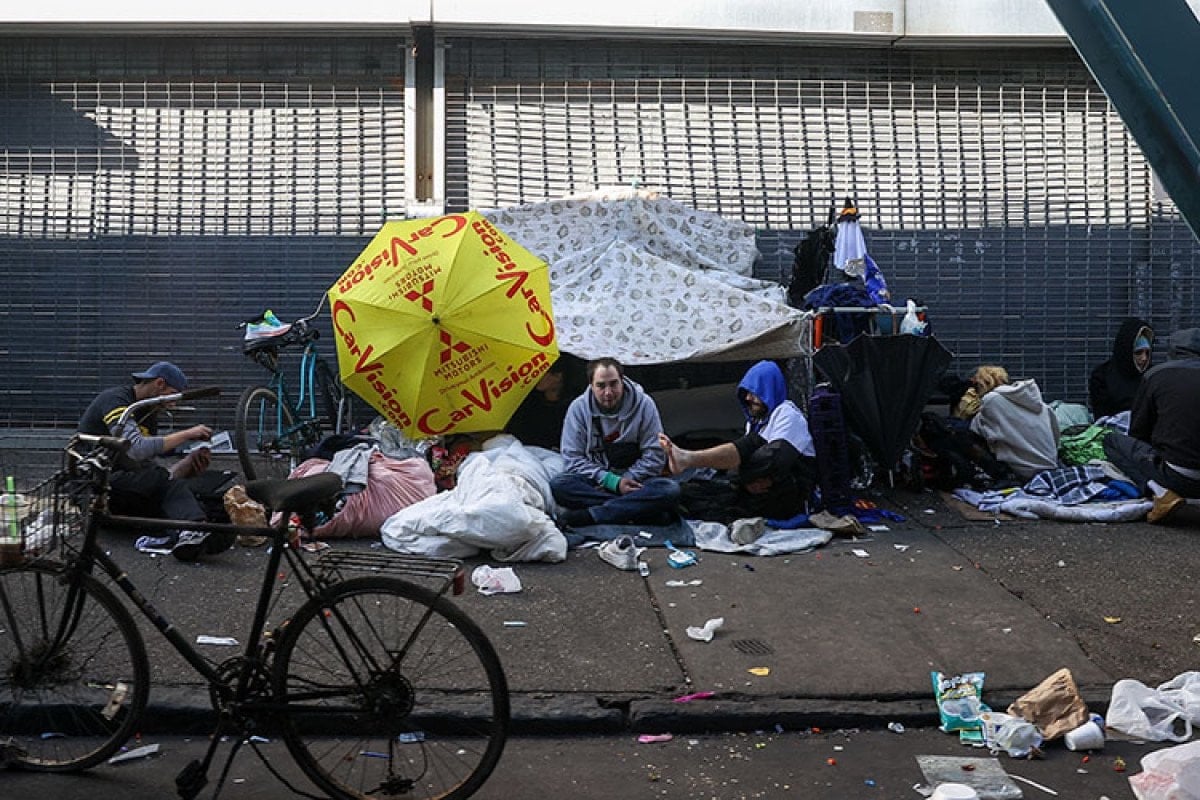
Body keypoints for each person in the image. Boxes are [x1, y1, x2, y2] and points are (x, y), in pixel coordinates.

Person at [78, 361, 234, 561]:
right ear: (160, 384)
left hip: (122, 487)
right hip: (96, 486)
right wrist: (187, 434)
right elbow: (136, 449)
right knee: (165, 483)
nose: (173, 404)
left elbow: (145, 469)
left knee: (190, 496)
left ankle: (188, 538)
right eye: (173, 395)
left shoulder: (148, 413)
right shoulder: (116, 400)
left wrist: (185, 466)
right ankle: (192, 530)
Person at [658, 360, 817, 526]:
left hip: (789, 493)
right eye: (746, 393)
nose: (748, 398)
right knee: (688, 493)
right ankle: (687, 459)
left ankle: (688, 458)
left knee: (751, 446)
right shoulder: (756, 422)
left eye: (755, 393)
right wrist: (742, 479)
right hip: (756, 488)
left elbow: (774, 460)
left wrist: (740, 476)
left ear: (768, 390)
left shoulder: (787, 414)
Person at [550, 357, 681, 527]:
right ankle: (641, 511)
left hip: (636, 481)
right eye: (601, 386)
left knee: (669, 489)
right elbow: (572, 458)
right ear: (591, 385)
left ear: (622, 381)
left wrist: (627, 479)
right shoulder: (578, 409)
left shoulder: (644, 404)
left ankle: (592, 515)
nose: (608, 393)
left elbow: (655, 455)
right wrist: (612, 482)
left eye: (613, 384)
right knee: (560, 485)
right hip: (598, 480)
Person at [1102, 328, 1200, 523]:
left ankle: (1160, 492)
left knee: (1111, 440)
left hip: (1178, 476)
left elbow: (1138, 432)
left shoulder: (1156, 375)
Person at [966, 365, 1060, 480]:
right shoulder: (1040, 404)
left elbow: (977, 431)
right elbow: (1056, 436)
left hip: (1024, 471)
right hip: (1050, 467)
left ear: (979, 384)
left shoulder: (991, 400)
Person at [1089, 316, 1154, 419]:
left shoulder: (1152, 376)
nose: (1144, 358)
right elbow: (1101, 417)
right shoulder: (1102, 376)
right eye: (1138, 352)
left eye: (1147, 352)